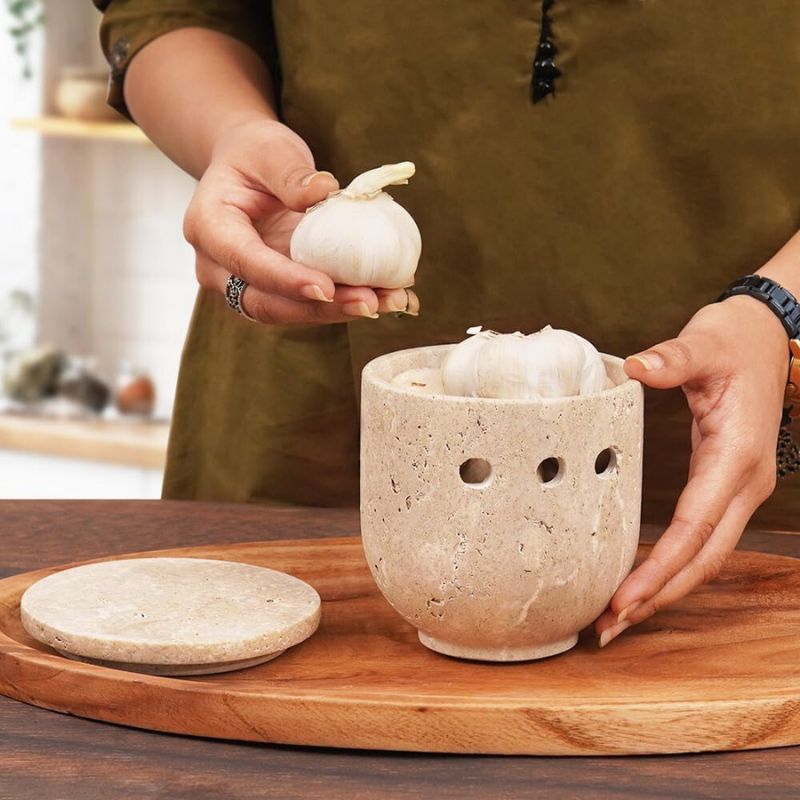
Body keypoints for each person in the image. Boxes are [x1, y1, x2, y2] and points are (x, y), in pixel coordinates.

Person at [93, 1, 800, 645]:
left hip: (740, 410)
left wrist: (780, 306)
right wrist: (233, 133)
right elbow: (173, 10)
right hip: (314, 401)